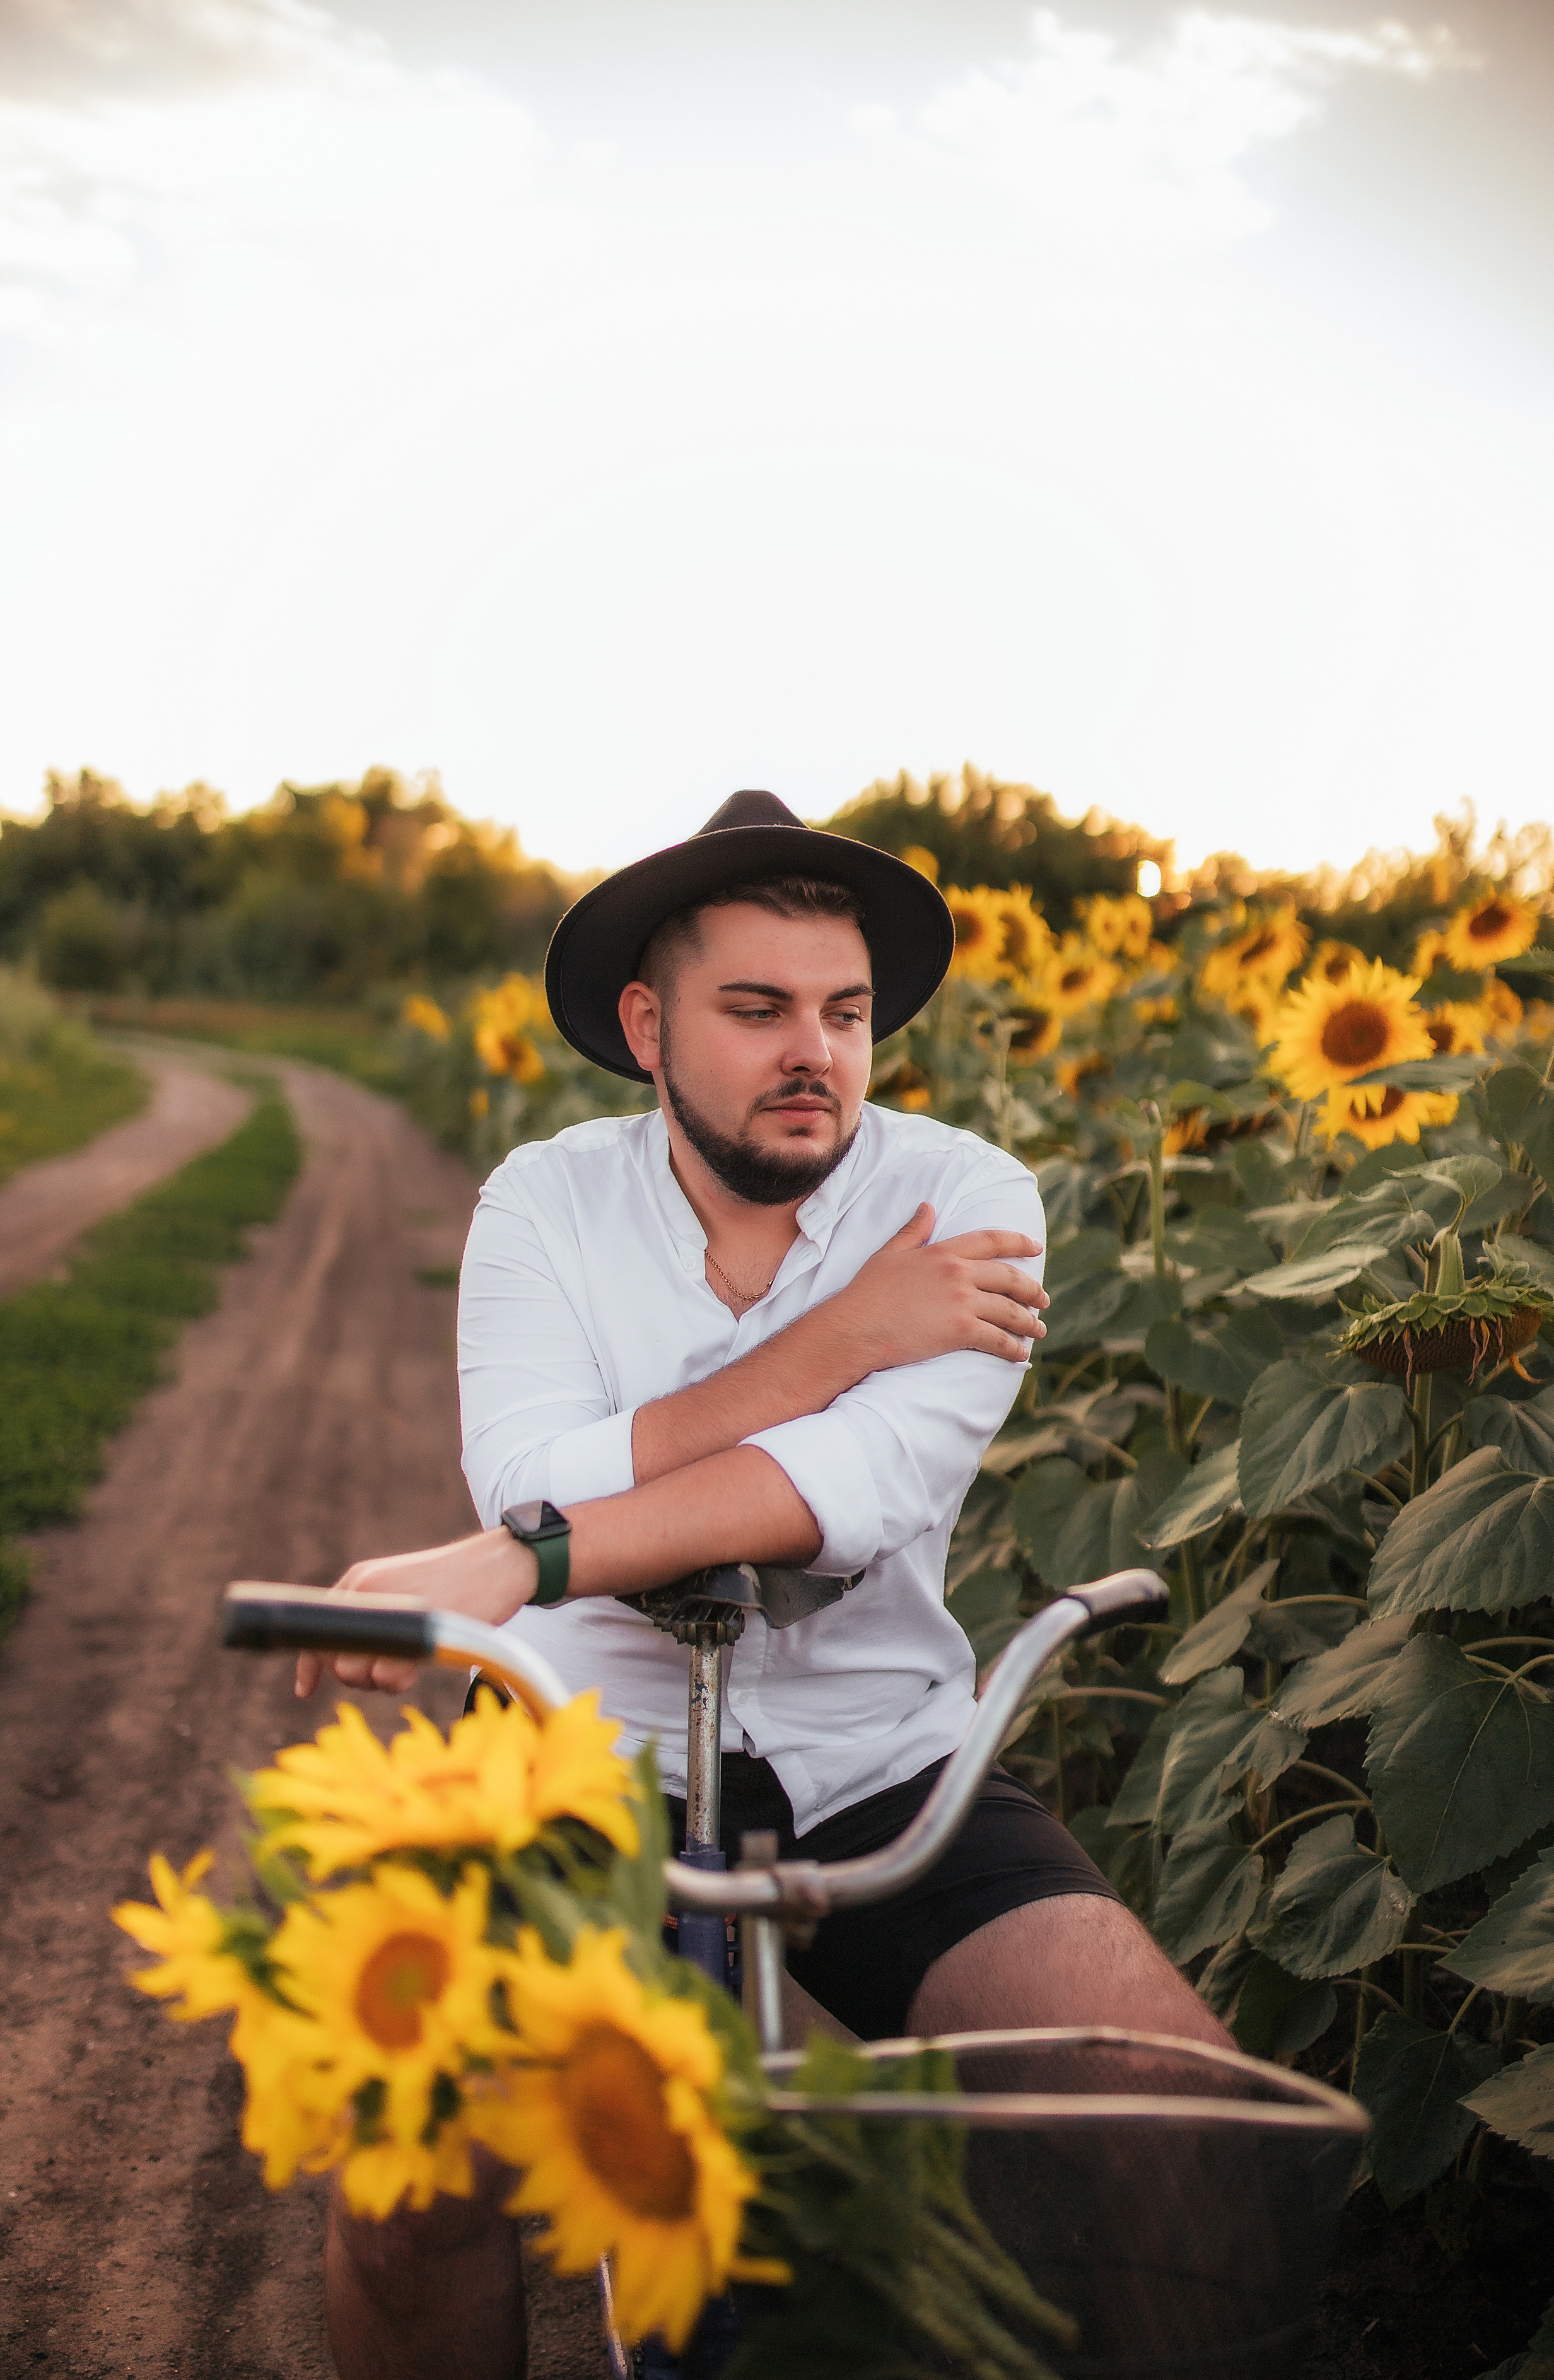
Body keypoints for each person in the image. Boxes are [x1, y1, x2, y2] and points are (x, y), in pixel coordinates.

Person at [298, 792, 1227, 2380]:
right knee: (407, 2167)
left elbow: (840, 1500)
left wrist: (534, 1552)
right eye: (757, 1009)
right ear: (648, 1028)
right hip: (573, 1739)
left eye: (845, 1012)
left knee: (1172, 2116)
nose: (816, 1051)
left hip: (884, 1753)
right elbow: (527, 1474)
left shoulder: (967, 1199)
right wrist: (844, 1339)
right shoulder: (544, 1201)